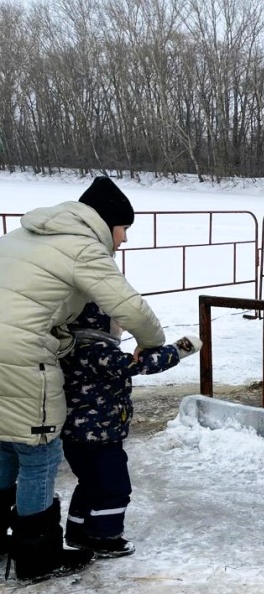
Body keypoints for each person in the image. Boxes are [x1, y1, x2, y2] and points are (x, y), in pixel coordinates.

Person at [0, 176, 165, 582]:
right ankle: (37, 557)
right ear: (107, 222)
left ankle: (3, 538)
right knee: (39, 455)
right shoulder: (84, 247)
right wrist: (153, 343)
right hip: (21, 355)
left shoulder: (24, 233)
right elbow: (128, 306)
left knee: (4, 447)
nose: (123, 239)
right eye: (124, 228)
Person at [60, 302, 202, 558]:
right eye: (116, 322)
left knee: (90, 483)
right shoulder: (96, 351)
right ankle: (104, 537)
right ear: (99, 324)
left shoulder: (72, 348)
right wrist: (178, 350)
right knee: (114, 487)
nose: (121, 328)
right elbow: (136, 365)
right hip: (98, 437)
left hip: (78, 436)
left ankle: (78, 531)